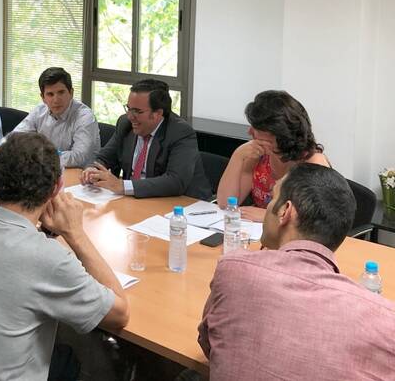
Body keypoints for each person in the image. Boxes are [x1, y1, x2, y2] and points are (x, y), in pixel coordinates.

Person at [0, 132, 129, 381]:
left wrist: (45, 232)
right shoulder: (48, 259)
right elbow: (119, 314)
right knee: (78, 358)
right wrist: (76, 234)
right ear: (56, 188)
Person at [198, 163, 395, 380]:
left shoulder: (233, 271)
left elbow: (210, 344)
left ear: (285, 211)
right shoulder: (384, 318)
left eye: (272, 198)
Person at [80, 79, 211, 199]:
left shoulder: (180, 132)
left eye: (137, 111)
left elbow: (175, 181)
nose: (130, 116)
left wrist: (123, 186)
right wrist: (92, 170)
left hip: (180, 204)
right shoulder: (125, 124)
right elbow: (103, 157)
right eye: (129, 109)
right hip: (133, 200)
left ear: (157, 113)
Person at [217, 90, 329, 221]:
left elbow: (320, 218)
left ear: (278, 132)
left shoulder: (314, 162)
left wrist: (269, 216)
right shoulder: (258, 154)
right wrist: (238, 155)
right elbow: (226, 204)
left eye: (256, 128)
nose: (249, 132)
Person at [13, 67, 100, 168]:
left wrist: (39, 156)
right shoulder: (39, 111)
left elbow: (79, 157)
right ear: (43, 98)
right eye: (50, 94)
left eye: (61, 92)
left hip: (81, 174)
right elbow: (14, 138)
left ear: (71, 93)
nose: (56, 100)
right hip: (46, 170)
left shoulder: (85, 117)